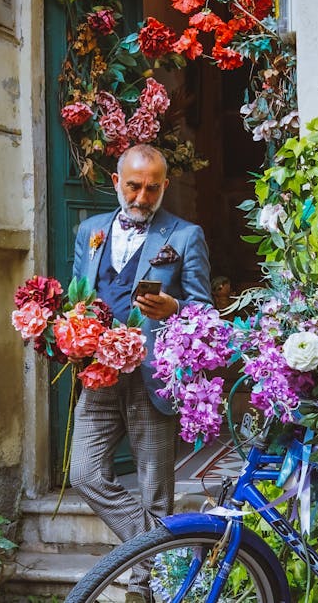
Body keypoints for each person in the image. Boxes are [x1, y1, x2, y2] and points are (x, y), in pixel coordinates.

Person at [69, 144, 212, 603]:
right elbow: (79, 298)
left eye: (152, 188)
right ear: (116, 182)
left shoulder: (185, 235)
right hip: (100, 374)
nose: (142, 196)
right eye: (134, 185)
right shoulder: (90, 230)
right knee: (85, 473)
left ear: (164, 186)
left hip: (155, 377)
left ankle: (143, 588)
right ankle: (161, 550)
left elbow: (202, 311)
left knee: (156, 491)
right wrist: (74, 332)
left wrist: (174, 308)